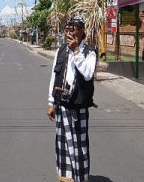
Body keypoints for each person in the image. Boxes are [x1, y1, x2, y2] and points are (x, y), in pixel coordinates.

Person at [47, 17, 97, 182]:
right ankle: (66, 177)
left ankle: (80, 178)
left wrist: (76, 52)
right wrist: (51, 102)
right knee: (62, 144)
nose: (69, 32)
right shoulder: (61, 50)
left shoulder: (89, 52)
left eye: (73, 29)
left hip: (79, 106)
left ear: (82, 31)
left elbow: (88, 74)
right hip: (62, 105)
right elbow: (55, 78)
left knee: (79, 145)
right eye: (67, 29)